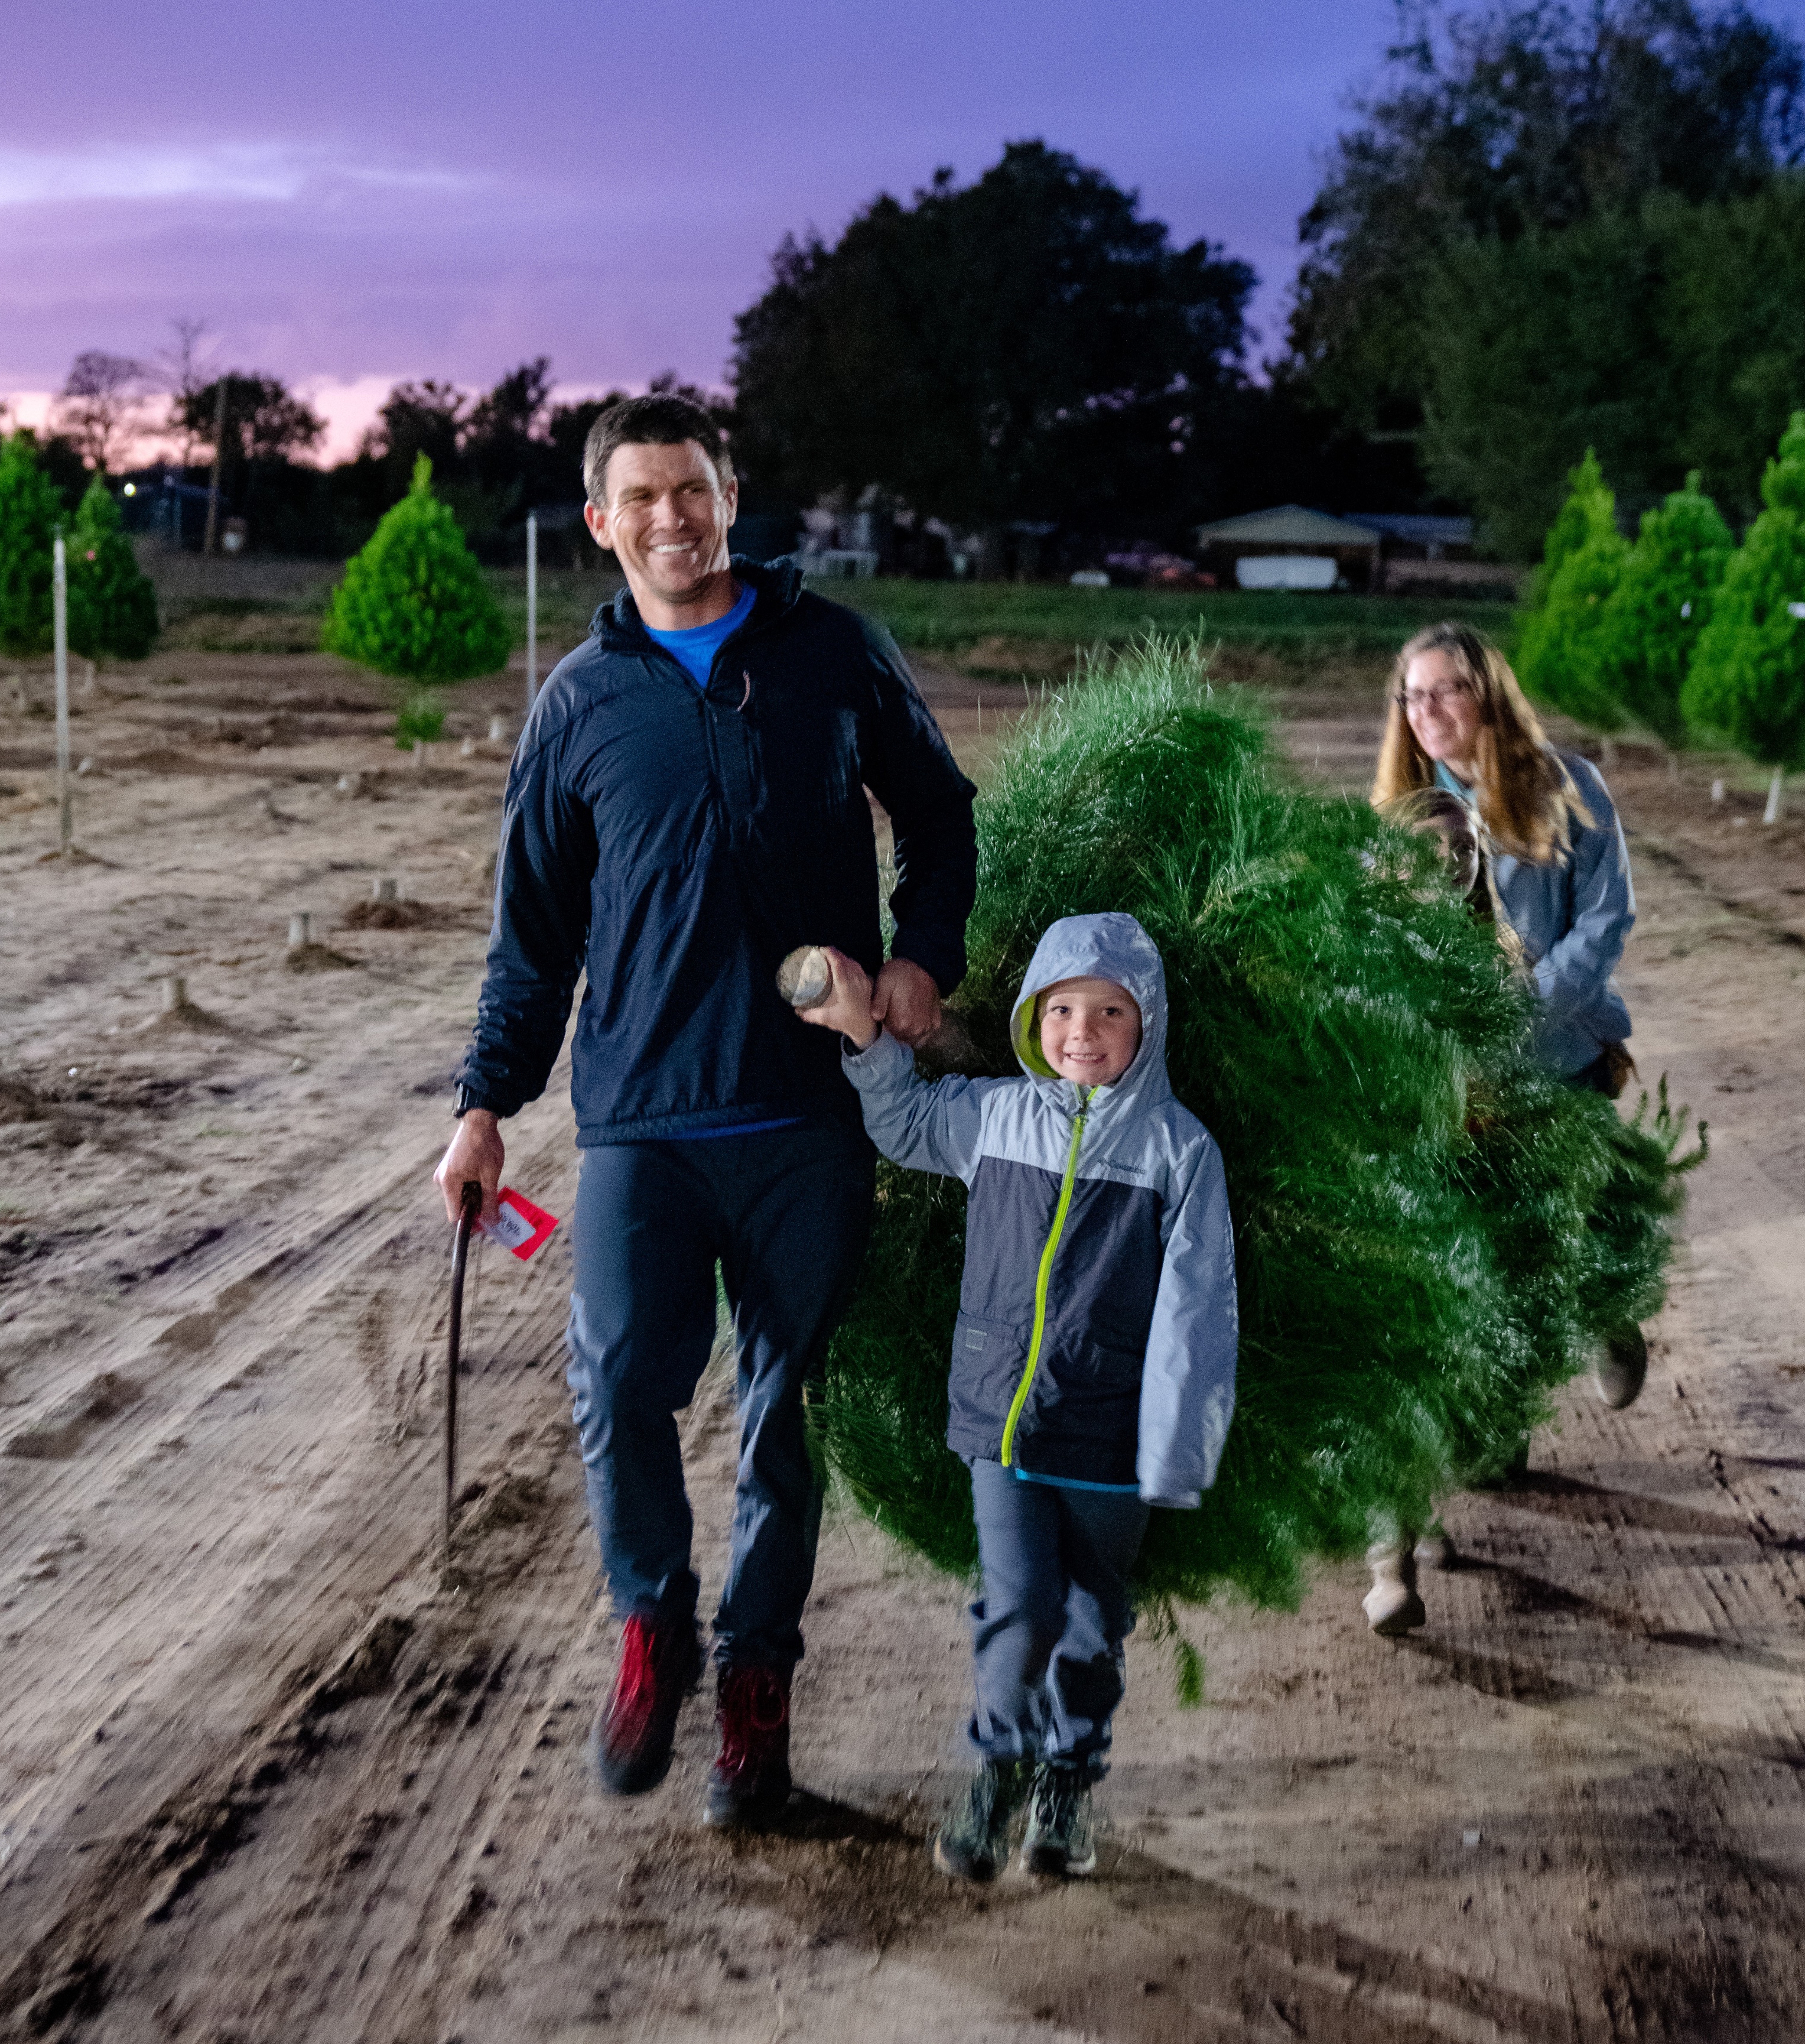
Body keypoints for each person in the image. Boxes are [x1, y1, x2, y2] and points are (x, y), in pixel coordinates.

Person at [433, 392, 977, 1832]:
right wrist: (486, 1102)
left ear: (730, 497)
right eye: (641, 497)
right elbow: (531, 935)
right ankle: (650, 1623)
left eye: (694, 489)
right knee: (617, 1386)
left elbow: (940, 815)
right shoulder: (579, 704)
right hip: (643, 1125)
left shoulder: (833, 653)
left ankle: (755, 1685)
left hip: (810, 1115)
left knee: (780, 1415)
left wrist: (923, 956)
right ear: (601, 521)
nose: (672, 517)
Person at [794, 912, 1237, 1883]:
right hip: (1000, 1421)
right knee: (1022, 1607)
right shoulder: (997, 1118)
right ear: (1035, 1017)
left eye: (1111, 1011)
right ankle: (997, 1764)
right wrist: (866, 1039)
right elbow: (907, 1124)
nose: (1085, 1030)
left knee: (1091, 1626)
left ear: (1147, 1025)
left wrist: (1172, 1452)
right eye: (1065, 1008)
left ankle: (1067, 1784)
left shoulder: (1178, 1153)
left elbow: (1196, 1316)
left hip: (1110, 1440)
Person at [1360, 622, 1644, 1633]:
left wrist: (1527, 1017)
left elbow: (1608, 921)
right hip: (1454, 1090)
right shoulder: (1401, 817)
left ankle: (1607, 1303)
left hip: (1556, 1060)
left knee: (1553, 1251)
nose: (1429, 712)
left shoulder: (1565, 788)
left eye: (1446, 692)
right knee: (1455, 1278)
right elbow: (1378, 946)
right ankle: (1427, 1489)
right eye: (1413, 696)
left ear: (1487, 694)